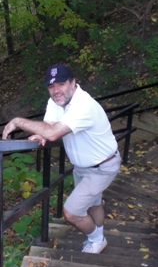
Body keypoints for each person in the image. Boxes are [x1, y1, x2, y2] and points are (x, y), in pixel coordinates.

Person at [2, 63, 121, 254]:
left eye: (61, 84)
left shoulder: (83, 105)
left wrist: (18, 121)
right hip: (83, 166)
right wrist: (43, 133)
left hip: (102, 166)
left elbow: (52, 132)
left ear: (73, 83)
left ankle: (97, 239)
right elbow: (49, 125)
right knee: (94, 203)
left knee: (71, 212)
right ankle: (99, 235)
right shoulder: (57, 101)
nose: (56, 90)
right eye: (51, 86)